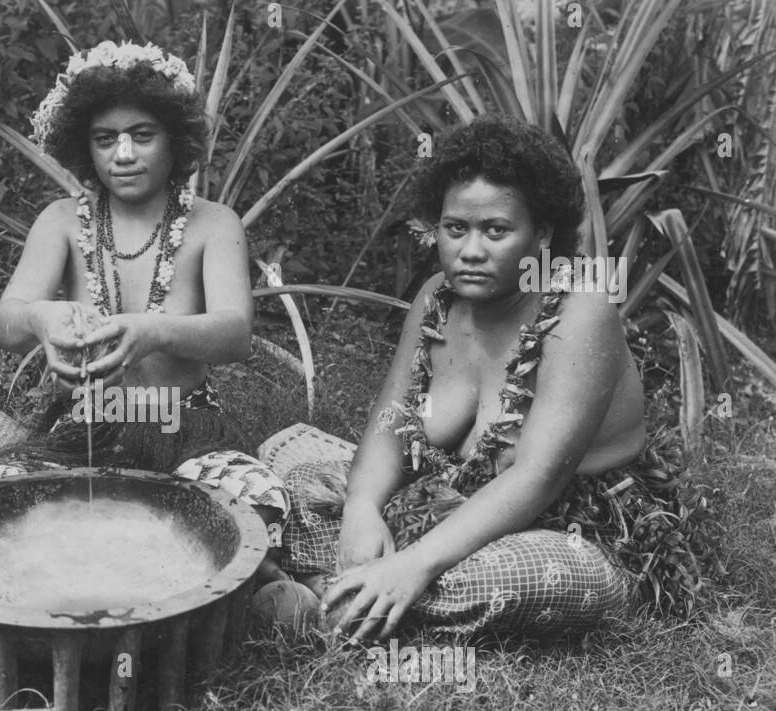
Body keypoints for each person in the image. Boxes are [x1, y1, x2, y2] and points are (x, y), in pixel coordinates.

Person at [278, 116, 711, 642]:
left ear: (542, 234)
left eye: (497, 231)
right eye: (456, 228)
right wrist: (363, 510)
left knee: (501, 577)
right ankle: (359, 596)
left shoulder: (580, 313)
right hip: (448, 499)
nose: (472, 250)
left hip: (569, 529)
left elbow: (538, 479)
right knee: (291, 463)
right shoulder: (437, 296)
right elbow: (391, 420)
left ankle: (329, 594)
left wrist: (414, 564)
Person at [0, 41, 289, 573]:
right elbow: (6, 325)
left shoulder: (213, 223)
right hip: (81, 426)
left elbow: (235, 335)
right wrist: (41, 319)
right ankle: (151, 559)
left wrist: (154, 331)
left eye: (142, 136)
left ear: (176, 143)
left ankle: (134, 557)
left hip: (185, 425)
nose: (124, 154)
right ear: (86, 149)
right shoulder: (62, 220)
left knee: (259, 503)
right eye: (106, 140)